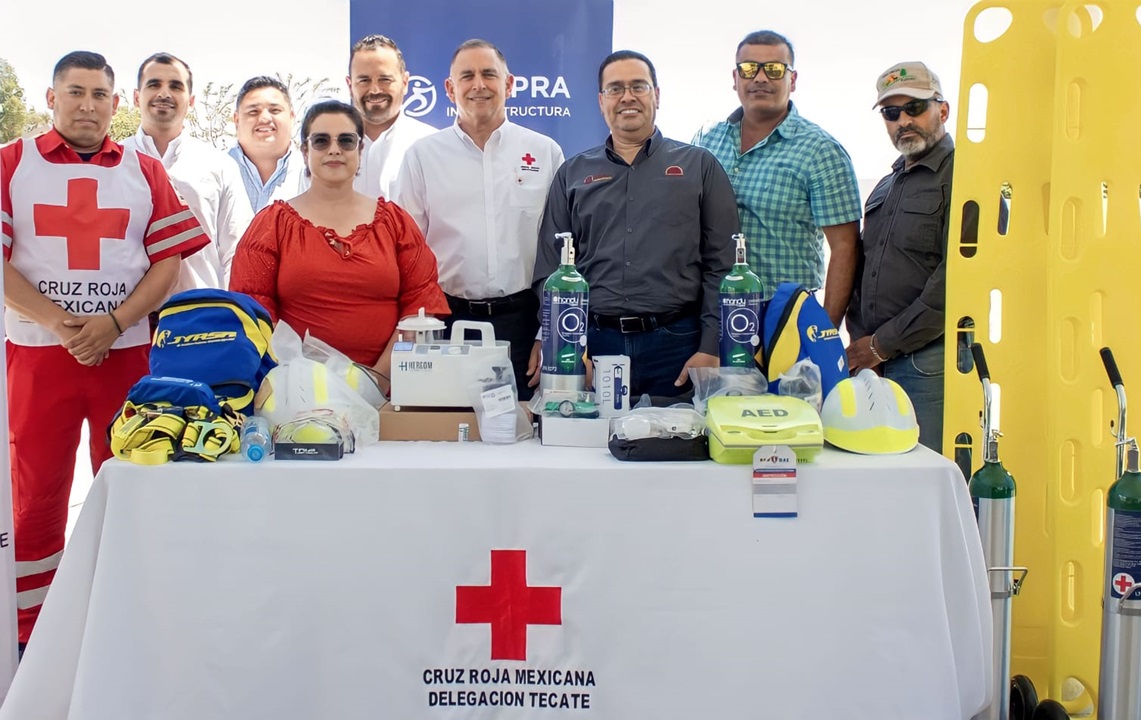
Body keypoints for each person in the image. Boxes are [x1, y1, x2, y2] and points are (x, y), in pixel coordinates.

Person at [1, 51, 208, 649]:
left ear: (118, 105)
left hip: (126, 354)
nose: (87, 105)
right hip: (40, 354)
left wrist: (112, 323)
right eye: (75, 93)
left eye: (99, 95)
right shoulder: (12, 162)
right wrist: (64, 324)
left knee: (134, 485)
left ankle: (133, 622)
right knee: (36, 497)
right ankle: (30, 635)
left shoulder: (143, 169)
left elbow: (169, 260)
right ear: (51, 97)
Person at [533, 50, 737, 399]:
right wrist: (566, 347)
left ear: (656, 95)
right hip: (594, 346)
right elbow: (550, 270)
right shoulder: (572, 173)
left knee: (676, 446)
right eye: (615, 89)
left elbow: (724, 266)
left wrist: (712, 345)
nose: (627, 97)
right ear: (601, 102)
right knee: (586, 451)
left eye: (638, 86)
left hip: (677, 345)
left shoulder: (700, 167)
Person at [229, 100, 448, 395]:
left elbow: (420, 304)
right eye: (321, 141)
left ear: (360, 150)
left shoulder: (396, 223)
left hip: (391, 392)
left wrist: (376, 381)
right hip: (297, 395)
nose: (334, 149)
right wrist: (306, 381)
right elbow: (253, 313)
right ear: (305, 152)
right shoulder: (272, 225)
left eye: (346, 140)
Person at [393, 39, 563, 401]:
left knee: (523, 438)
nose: (479, 84)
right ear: (450, 88)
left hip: (524, 321)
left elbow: (562, 250)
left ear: (510, 84)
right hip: (446, 322)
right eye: (467, 76)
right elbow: (406, 251)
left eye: (489, 74)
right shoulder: (422, 156)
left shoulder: (546, 152)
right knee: (449, 433)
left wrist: (545, 333)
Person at [692, 30, 861, 326]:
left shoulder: (821, 151)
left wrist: (826, 333)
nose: (760, 78)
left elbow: (845, 248)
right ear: (735, 78)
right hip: (711, 313)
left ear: (792, 80)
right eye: (749, 69)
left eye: (774, 69)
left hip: (784, 317)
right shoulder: (707, 139)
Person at [846, 62, 956, 453]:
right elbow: (865, 266)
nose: (903, 121)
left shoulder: (964, 177)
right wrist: (863, 343)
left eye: (915, 108)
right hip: (874, 364)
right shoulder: (887, 185)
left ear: (942, 110)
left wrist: (883, 343)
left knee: (927, 478)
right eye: (892, 114)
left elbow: (957, 279)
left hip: (927, 364)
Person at [122, 52, 253, 288]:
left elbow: (237, 251)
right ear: (136, 97)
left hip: (200, 316)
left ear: (191, 100)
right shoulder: (114, 161)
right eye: (154, 84)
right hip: (126, 319)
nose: (164, 93)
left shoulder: (219, 165)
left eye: (175, 86)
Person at [347, 35, 435, 199]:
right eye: (364, 80)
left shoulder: (432, 146)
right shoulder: (324, 150)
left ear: (405, 83)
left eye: (385, 79)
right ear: (349, 86)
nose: (374, 90)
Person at [227, 76, 305, 213]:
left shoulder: (313, 176)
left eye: (275, 110)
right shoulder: (212, 172)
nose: (264, 119)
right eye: (253, 112)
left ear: (292, 117)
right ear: (237, 120)